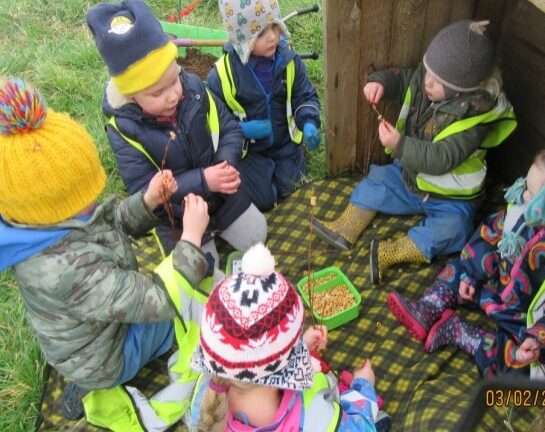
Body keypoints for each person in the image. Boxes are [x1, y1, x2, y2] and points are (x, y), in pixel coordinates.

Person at [0, 77, 214, 427]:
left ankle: (85, 376)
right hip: (107, 355)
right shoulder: (66, 270)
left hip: (85, 338)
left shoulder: (44, 225)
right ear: (53, 208)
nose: (95, 198)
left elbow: (109, 220)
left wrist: (147, 201)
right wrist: (190, 240)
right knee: (181, 312)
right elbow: (160, 299)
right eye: (85, 196)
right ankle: (96, 382)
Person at [387, 142, 545, 379]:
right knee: (458, 268)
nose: (524, 195)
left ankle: (464, 334)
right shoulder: (524, 208)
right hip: (495, 285)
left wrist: (538, 340)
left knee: (524, 376)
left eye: (533, 194)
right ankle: (430, 305)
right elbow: (489, 236)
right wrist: (472, 274)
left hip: (523, 323)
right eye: (527, 186)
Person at [312, 20, 517, 284]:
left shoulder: (473, 121)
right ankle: (345, 227)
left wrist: (400, 144)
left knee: (455, 229)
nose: (427, 82)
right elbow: (406, 78)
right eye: (427, 72)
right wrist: (381, 83)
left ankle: (392, 252)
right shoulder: (427, 80)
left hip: (450, 198)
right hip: (410, 178)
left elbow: (441, 159)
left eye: (436, 81)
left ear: (460, 90)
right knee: (378, 180)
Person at [87, 0, 267, 265]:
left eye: (173, 80)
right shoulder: (123, 131)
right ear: (130, 94)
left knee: (258, 234)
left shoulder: (193, 87)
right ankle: (204, 244)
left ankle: (221, 228)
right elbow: (147, 193)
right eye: (157, 93)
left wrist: (225, 165)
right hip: (178, 217)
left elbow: (228, 127)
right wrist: (203, 181)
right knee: (202, 273)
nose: (172, 95)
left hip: (221, 197)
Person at [189, 243, 389, 431]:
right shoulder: (316, 416)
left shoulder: (206, 396)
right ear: (289, 366)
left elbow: (253, 357)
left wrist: (299, 345)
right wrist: (363, 388)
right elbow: (359, 427)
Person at [207, 0, 321, 211]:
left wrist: (309, 121)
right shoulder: (222, 76)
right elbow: (213, 122)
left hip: (286, 147)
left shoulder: (289, 60)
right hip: (249, 153)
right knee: (263, 201)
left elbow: (305, 95)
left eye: (275, 26)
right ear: (242, 40)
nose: (272, 36)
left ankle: (284, 175)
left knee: (294, 192)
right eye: (260, 34)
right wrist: (242, 130)